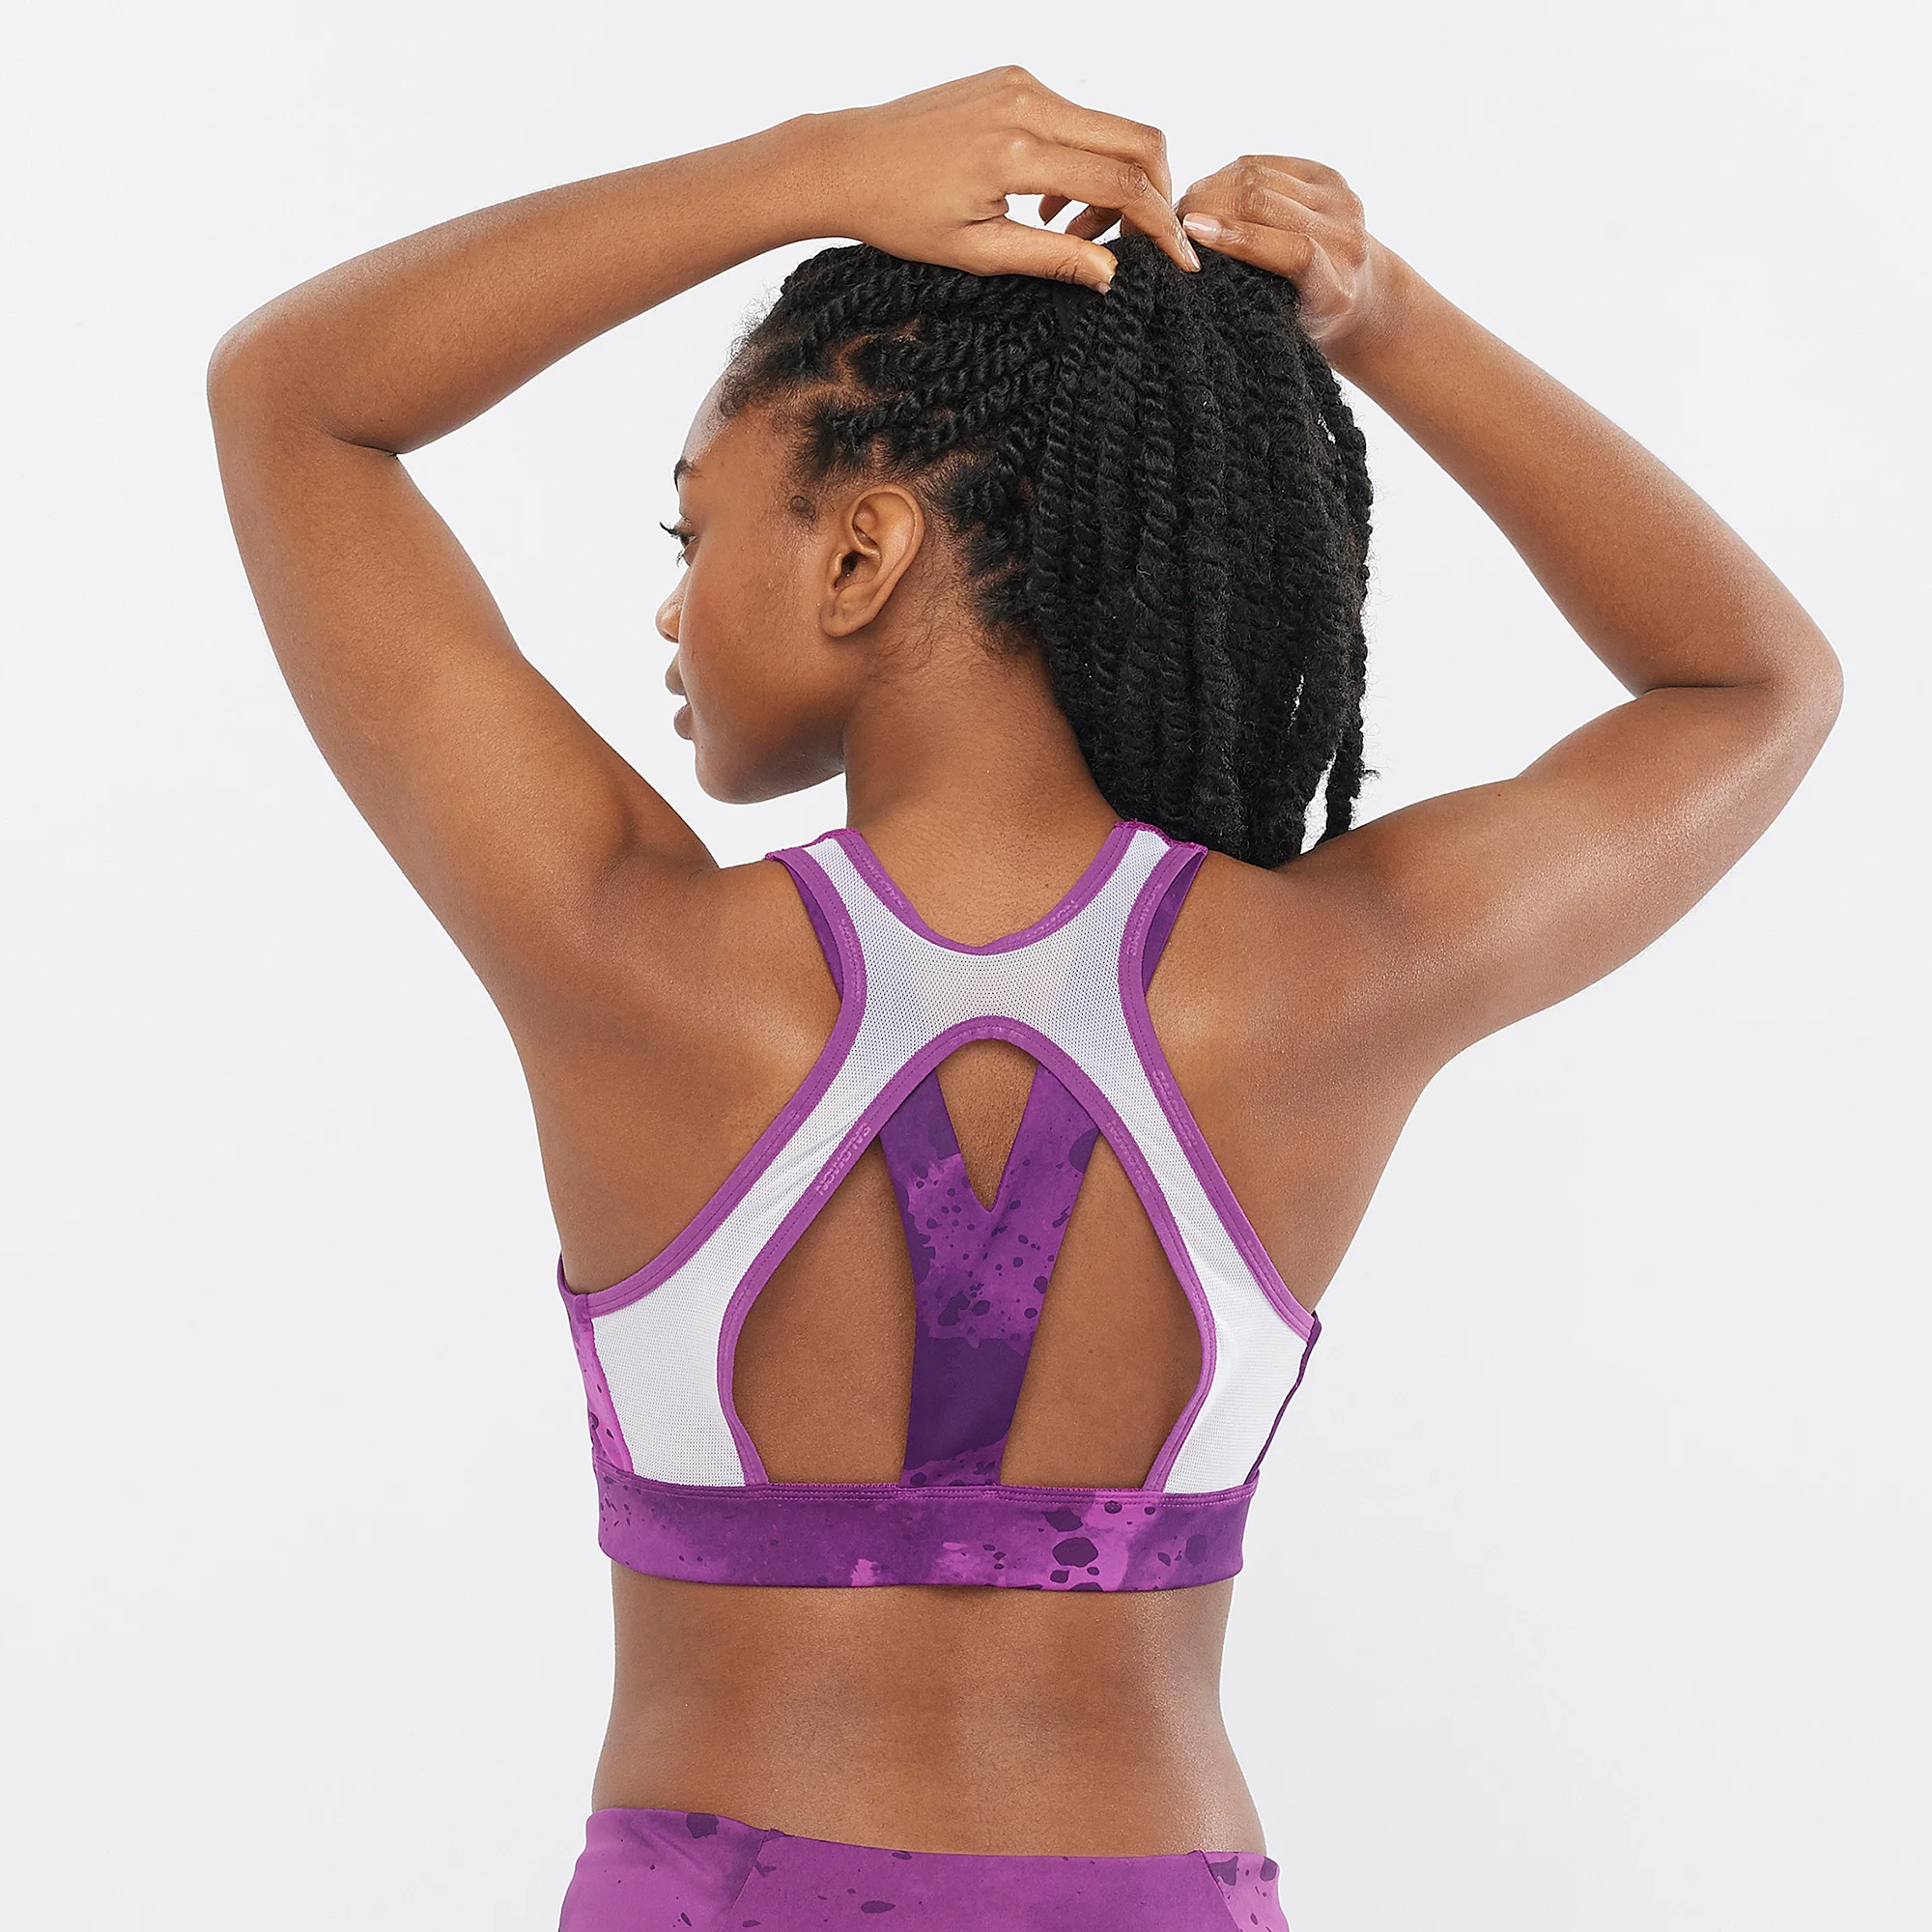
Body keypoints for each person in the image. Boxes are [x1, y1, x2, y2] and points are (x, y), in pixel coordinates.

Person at [208, 66, 1841, 1932]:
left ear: (859, 551)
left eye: (692, 536)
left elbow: (295, 401)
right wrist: (1383, 318)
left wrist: (806, 170)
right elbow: (1751, 687)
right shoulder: (1320, 983)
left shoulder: (627, 954)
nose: (670, 607)